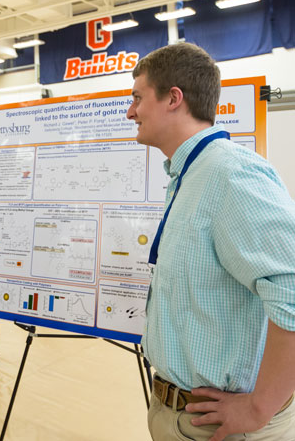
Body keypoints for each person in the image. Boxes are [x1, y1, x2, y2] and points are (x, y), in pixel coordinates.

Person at [127, 42, 295, 440]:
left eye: (137, 98)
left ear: (173, 99)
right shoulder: (189, 174)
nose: (130, 111)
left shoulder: (230, 174)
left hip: (223, 427)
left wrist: (259, 407)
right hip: (181, 413)